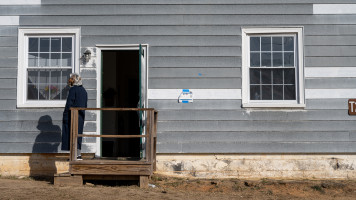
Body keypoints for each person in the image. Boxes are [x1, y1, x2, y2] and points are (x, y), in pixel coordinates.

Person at [61, 73, 88, 160]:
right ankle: (78, 154)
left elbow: (69, 103)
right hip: (81, 115)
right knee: (78, 133)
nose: (70, 80)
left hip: (72, 115)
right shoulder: (84, 91)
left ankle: (73, 155)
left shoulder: (73, 90)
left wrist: (65, 115)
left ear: (75, 80)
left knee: (71, 133)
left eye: (71, 79)